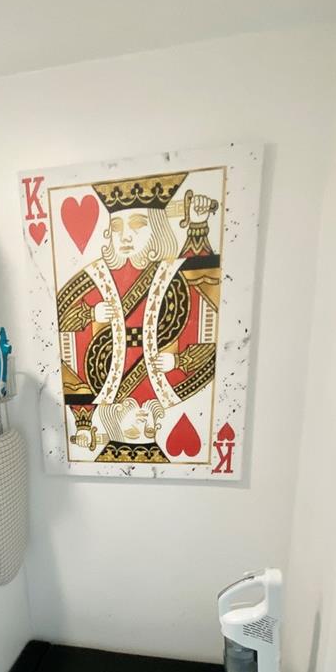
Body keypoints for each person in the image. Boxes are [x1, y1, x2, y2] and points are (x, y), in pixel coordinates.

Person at [57, 171, 220, 463]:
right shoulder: (95, 277)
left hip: (155, 384)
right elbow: (60, 331)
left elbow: (208, 312)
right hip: (113, 386)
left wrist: (197, 226)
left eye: (137, 225)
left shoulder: (173, 274)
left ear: (157, 229)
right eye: (117, 227)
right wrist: (90, 314)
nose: (126, 236)